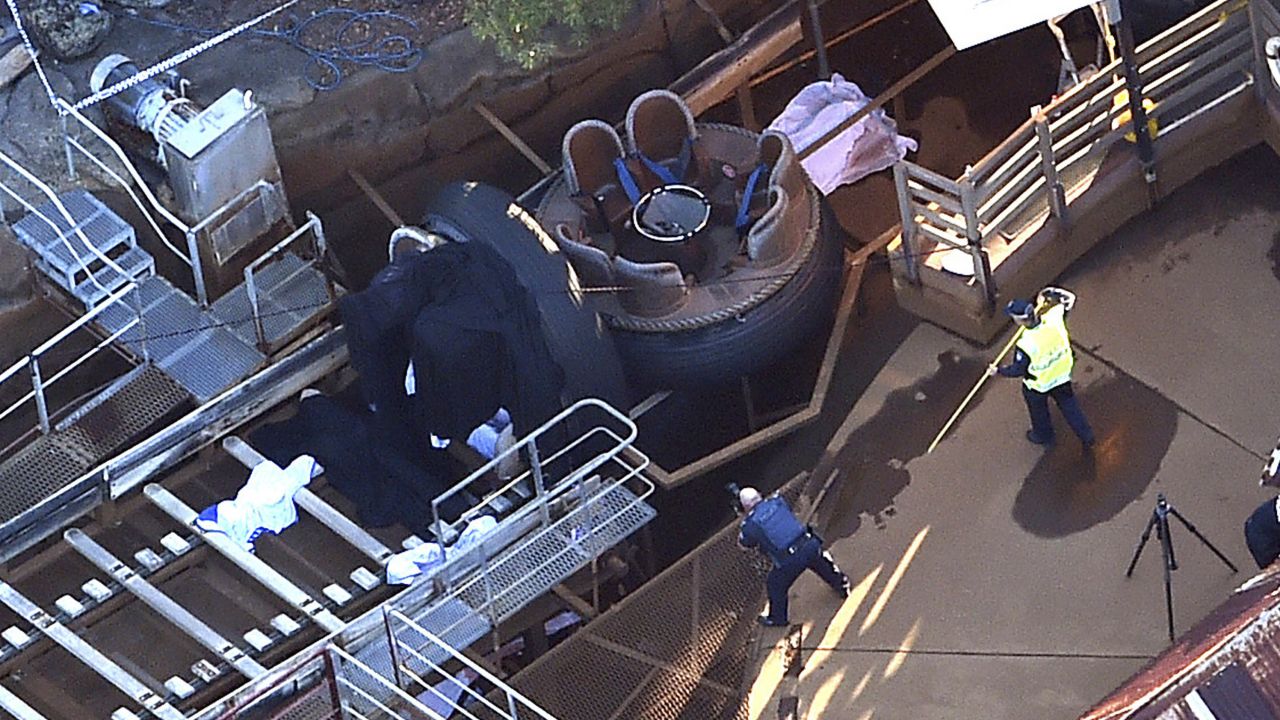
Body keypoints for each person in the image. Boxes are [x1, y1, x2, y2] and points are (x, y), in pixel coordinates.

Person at [989, 286, 1096, 450]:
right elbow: (1068, 300)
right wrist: (1047, 294)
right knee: (1070, 406)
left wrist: (998, 371)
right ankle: (1086, 435)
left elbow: (1018, 370)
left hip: (1038, 386)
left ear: (1019, 320)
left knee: (1038, 411)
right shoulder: (1054, 318)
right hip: (1062, 375)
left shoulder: (1026, 344)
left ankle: (1043, 435)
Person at [737, 487, 850, 627]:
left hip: (790, 559)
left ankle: (778, 619)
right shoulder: (777, 501)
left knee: (775, 585)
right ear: (760, 495)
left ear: (744, 506)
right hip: (808, 543)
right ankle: (842, 585)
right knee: (820, 563)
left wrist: (745, 518)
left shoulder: (750, 525)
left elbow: (744, 544)